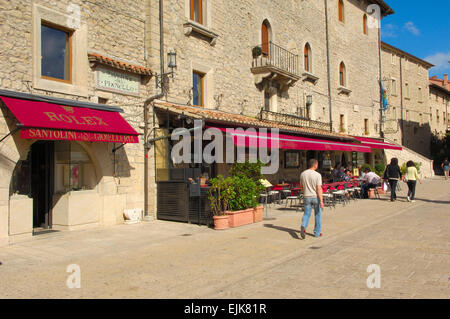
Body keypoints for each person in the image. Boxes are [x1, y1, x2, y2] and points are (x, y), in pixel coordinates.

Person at [299, 159, 324, 239]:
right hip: (315, 196)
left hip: (306, 196)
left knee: (306, 213)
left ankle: (303, 225)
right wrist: (321, 200)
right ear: (315, 165)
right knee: (318, 214)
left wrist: (304, 192)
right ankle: (317, 232)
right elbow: (319, 188)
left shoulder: (303, 174)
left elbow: (301, 186)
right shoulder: (317, 175)